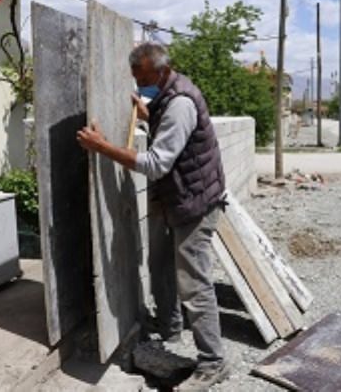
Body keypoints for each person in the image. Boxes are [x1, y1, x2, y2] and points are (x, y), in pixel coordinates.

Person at [76, 42, 229, 391]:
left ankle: (213, 362)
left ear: (160, 71)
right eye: (135, 77)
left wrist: (102, 147)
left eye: (143, 77)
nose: (139, 83)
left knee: (194, 283)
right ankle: (170, 330)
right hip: (175, 197)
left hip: (195, 202)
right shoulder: (166, 95)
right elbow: (166, 128)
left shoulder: (180, 104)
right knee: (161, 265)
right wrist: (148, 115)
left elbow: (157, 164)